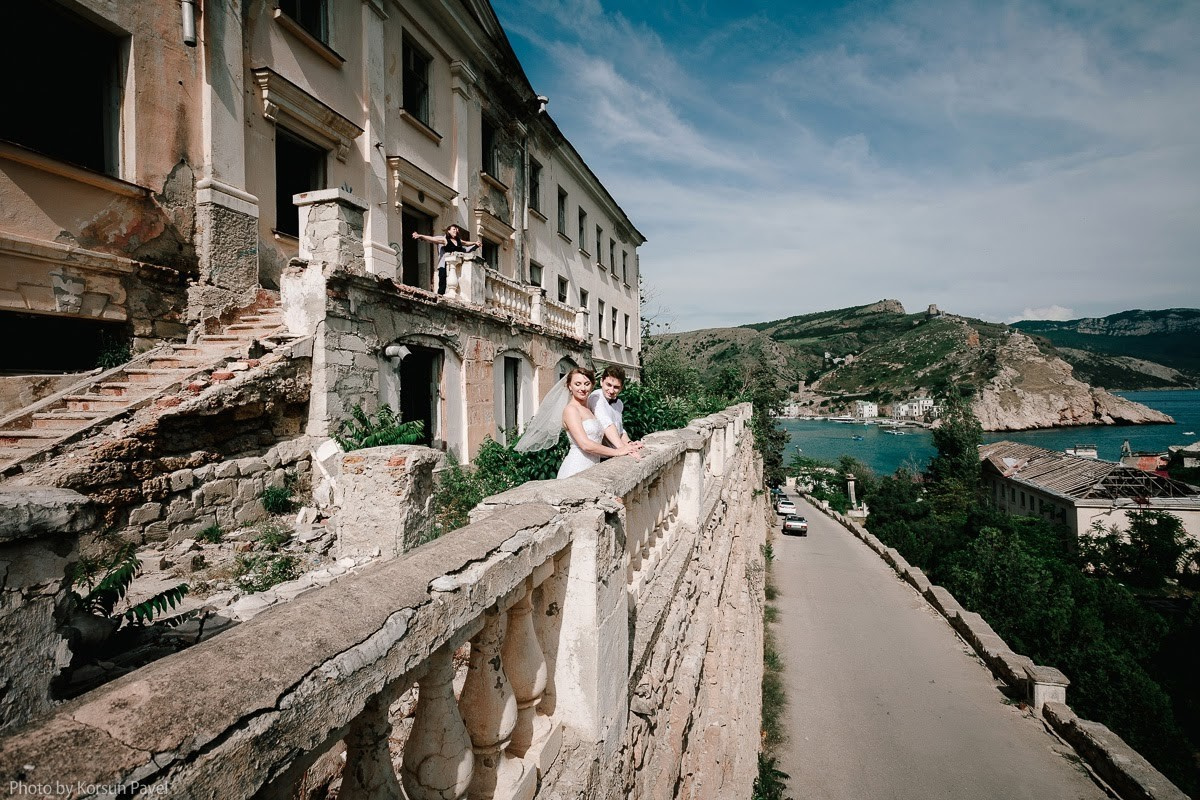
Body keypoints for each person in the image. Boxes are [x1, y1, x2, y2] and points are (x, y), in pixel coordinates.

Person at [557, 367, 639, 479]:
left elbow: (614, 427)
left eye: (587, 384)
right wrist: (618, 451)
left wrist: (628, 444)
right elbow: (585, 444)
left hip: (593, 468)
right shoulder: (571, 410)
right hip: (576, 468)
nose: (583, 388)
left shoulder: (588, 408)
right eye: (577, 384)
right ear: (570, 386)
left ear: (592, 385)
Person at [588, 365, 644, 457]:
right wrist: (623, 448)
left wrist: (630, 443)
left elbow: (620, 430)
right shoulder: (596, 397)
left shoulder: (619, 404)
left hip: (612, 455)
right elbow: (606, 424)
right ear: (601, 382)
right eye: (608, 385)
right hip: (599, 457)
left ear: (621, 388)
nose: (611, 390)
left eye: (616, 387)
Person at [410, 224, 481, 294]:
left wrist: (475, 244)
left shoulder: (458, 240)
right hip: (444, 264)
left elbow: (466, 244)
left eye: (456, 229)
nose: (456, 231)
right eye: (454, 229)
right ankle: (440, 297)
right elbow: (432, 239)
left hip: (455, 265)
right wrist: (420, 236)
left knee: (454, 283)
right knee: (443, 283)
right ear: (449, 231)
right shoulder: (444, 239)